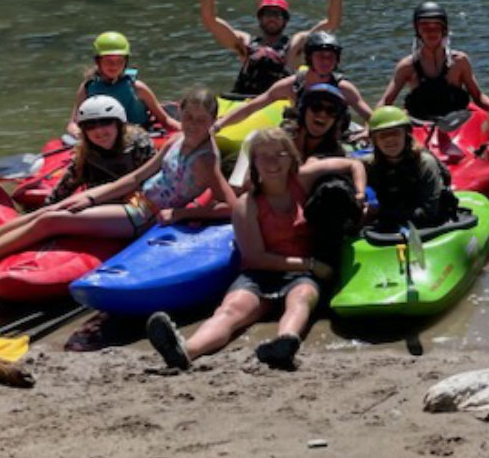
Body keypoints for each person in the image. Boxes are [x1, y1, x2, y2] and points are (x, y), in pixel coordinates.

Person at [0, 87, 233, 286]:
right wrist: (89, 197)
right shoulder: (175, 141)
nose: (193, 126)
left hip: (141, 215)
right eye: (188, 118)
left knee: (49, 221)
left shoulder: (206, 159)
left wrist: (179, 214)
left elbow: (231, 206)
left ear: (213, 120)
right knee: (49, 209)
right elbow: (133, 178)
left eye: (202, 121)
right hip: (131, 199)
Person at [145, 128, 365, 372]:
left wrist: (360, 193)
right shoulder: (246, 205)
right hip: (267, 271)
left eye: (279, 154)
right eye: (264, 156)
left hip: (301, 275)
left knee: (300, 299)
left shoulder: (303, 179)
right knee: (230, 311)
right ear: (254, 162)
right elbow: (255, 258)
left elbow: (354, 165)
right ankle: (186, 351)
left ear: (291, 157)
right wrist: (311, 265)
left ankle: (285, 342)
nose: (272, 162)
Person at [200, 0, 345, 98]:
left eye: (277, 14)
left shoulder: (295, 46)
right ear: (260, 18)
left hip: (278, 102)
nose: (272, 18)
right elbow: (210, 21)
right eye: (267, 14)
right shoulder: (245, 43)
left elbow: (332, 23)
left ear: (285, 20)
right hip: (245, 99)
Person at [215, 29, 374, 135]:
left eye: (330, 57)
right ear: (310, 58)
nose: (326, 61)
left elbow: (372, 118)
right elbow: (251, 107)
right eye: (320, 56)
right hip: (301, 137)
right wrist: (219, 125)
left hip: (332, 139)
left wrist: (368, 131)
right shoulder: (291, 85)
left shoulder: (344, 88)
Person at [379, 1, 489, 121]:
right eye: (425, 27)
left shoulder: (460, 61)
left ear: (444, 29)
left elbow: (478, 97)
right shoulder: (407, 66)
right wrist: (371, 127)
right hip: (421, 122)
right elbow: (386, 101)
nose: (431, 32)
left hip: (457, 121)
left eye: (436, 27)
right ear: (417, 30)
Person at [360, 106, 459, 232]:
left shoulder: (425, 163)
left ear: (405, 134)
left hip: (423, 218)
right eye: (382, 135)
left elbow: (429, 211)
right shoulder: (369, 164)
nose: (390, 139)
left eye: (395, 133)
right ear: (374, 140)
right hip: (391, 213)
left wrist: (381, 214)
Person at [46, 96, 159, 204]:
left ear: (118, 125)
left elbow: (160, 179)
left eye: (106, 122)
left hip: (138, 202)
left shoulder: (139, 144)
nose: (99, 131)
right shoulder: (84, 155)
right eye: (90, 125)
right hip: (100, 203)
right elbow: (61, 192)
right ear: (84, 132)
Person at [67, 31, 178, 139]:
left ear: (126, 62)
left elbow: (165, 120)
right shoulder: (87, 88)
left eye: (119, 61)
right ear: (98, 62)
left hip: (138, 137)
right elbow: (73, 124)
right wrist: (77, 132)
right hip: (102, 139)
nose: (114, 66)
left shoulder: (138, 88)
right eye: (108, 61)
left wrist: (185, 131)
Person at [285, 83, 353, 161]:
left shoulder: (335, 154)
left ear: (336, 120)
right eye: (316, 106)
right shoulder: (284, 137)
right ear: (304, 111)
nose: (322, 114)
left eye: (331, 110)